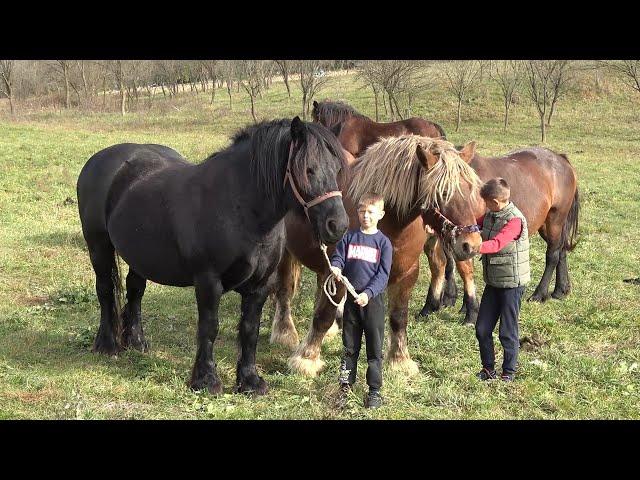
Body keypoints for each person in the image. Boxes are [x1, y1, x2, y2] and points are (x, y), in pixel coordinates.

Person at [330, 193, 392, 408]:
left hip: (372, 303)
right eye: (362, 211)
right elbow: (339, 256)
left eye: (370, 212)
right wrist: (337, 266)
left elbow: (383, 275)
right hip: (351, 303)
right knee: (349, 347)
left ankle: (374, 391)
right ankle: (345, 388)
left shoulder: (383, 243)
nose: (365, 216)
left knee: (374, 350)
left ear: (380, 215)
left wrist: (368, 293)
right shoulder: (349, 238)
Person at [474, 178, 530, 382]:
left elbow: (497, 243)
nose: (485, 207)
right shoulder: (491, 214)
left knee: (507, 331)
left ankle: (509, 372)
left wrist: (473, 247)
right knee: (482, 329)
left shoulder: (515, 221)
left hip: (511, 285)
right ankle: (488, 369)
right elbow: (473, 225)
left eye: (487, 203)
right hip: (494, 281)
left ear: (496, 202)